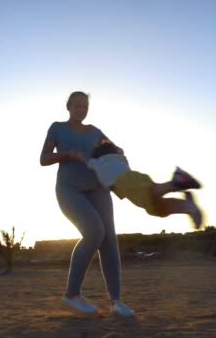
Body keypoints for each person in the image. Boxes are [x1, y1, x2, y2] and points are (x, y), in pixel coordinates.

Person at [40, 91, 134, 317]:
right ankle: (72, 295)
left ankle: (116, 302)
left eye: (85, 106)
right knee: (94, 231)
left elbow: (112, 150)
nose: (82, 109)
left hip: (98, 189)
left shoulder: (96, 132)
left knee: (109, 239)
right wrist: (69, 154)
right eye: (78, 105)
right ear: (69, 107)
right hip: (70, 189)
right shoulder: (57, 128)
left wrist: (118, 152)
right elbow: (43, 159)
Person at [87, 139, 204, 228]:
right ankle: (188, 207)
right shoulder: (119, 159)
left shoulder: (97, 162)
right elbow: (120, 152)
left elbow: (82, 157)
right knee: (155, 208)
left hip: (126, 182)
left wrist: (75, 154)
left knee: (150, 194)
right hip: (131, 180)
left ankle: (177, 181)